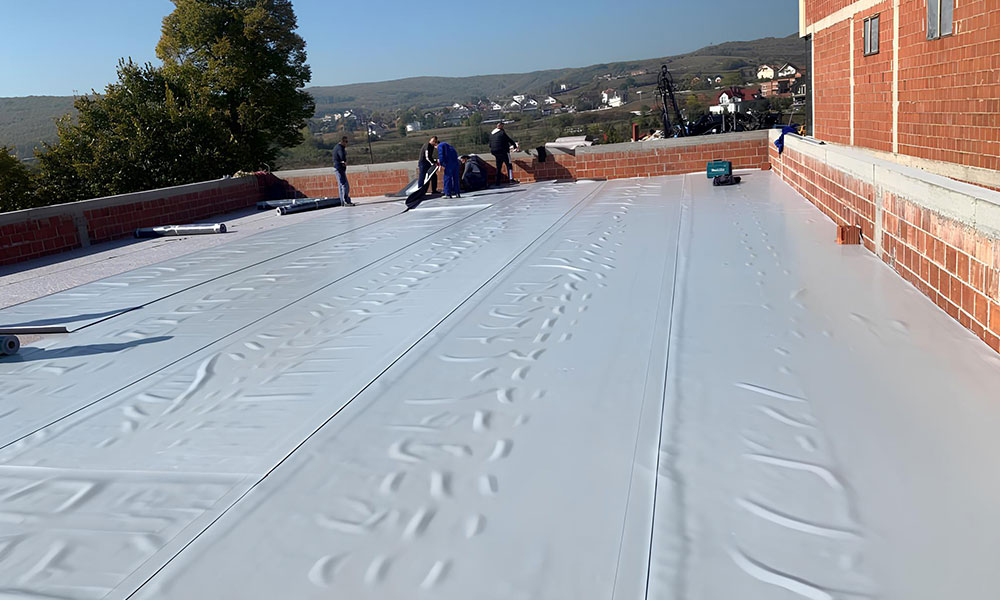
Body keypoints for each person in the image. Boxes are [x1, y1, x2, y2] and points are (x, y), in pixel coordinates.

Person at [332, 136, 355, 206]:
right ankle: (345, 201)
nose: (346, 143)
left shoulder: (337, 147)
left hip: (338, 168)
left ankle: (343, 201)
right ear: (342, 142)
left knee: (341, 185)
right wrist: (344, 161)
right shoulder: (340, 148)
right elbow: (341, 156)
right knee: (344, 185)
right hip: (339, 168)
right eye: (346, 142)